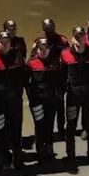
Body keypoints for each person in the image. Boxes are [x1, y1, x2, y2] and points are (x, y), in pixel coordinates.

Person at [0, 30, 27, 172]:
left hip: (15, 102)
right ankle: (0, 161)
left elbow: (24, 78)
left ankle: (17, 159)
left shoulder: (18, 58)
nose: (5, 44)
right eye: (2, 42)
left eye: (7, 42)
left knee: (16, 130)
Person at [60, 26, 89, 164]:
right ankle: (70, 155)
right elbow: (61, 76)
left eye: (81, 36)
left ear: (85, 38)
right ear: (72, 39)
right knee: (70, 126)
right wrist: (61, 92)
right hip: (72, 97)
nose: (79, 39)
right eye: (76, 37)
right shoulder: (65, 54)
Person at [25, 37, 65, 167]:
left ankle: (49, 149)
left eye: (45, 49)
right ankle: (40, 152)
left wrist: (59, 95)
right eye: (40, 49)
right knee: (39, 126)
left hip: (51, 100)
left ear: (49, 49)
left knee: (49, 125)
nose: (43, 51)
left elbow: (61, 80)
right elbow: (26, 84)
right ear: (36, 49)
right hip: (37, 102)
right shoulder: (30, 63)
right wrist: (31, 99)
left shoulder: (55, 62)